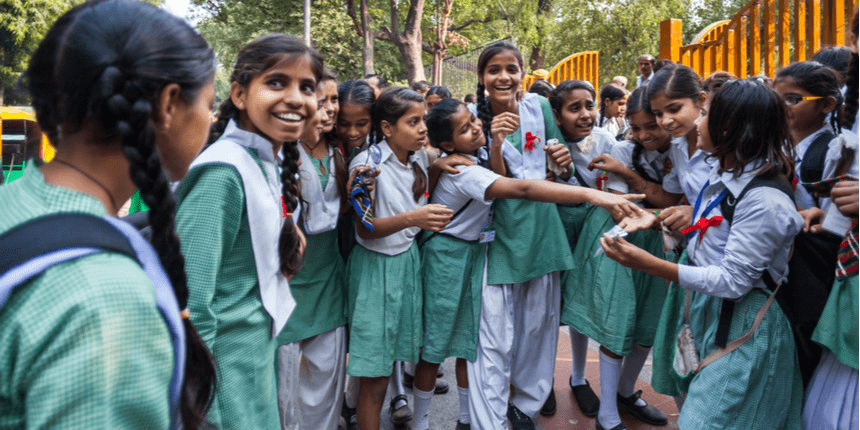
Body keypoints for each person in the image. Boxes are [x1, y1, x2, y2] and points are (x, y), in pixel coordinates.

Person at [6, 0, 216, 428]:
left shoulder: (15, 204)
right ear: (169, 104)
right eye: (210, 103)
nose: (210, 121)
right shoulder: (106, 299)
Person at [413, 98, 646, 430]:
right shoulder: (463, 169)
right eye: (464, 128)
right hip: (447, 259)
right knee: (438, 344)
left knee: (467, 341)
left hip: (470, 256)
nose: (476, 127)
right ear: (448, 143)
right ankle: (423, 422)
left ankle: (468, 419)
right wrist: (593, 194)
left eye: (473, 120)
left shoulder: (469, 156)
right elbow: (522, 188)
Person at [602, 78, 804, 429]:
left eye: (705, 114)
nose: (696, 123)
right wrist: (652, 221)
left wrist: (651, 265)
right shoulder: (726, 175)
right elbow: (711, 231)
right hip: (706, 308)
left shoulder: (763, 200)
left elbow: (733, 281)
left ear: (730, 127)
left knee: (706, 420)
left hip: (743, 321)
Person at [176, 33, 321, 429]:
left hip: (257, 361)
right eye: (277, 82)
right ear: (239, 94)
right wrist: (206, 411)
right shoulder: (222, 173)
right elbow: (192, 305)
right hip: (223, 378)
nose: (295, 98)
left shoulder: (264, 163)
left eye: (307, 87)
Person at [469, 40, 575, 430]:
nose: (503, 77)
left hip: (542, 230)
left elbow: (559, 167)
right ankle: (489, 418)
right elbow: (490, 180)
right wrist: (495, 141)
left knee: (537, 328)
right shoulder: (470, 117)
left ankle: (525, 406)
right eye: (494, 69)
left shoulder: (540, 107)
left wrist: (562, 165)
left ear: (523, 72)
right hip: (496, 234)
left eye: (511, 68)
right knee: (494, 338)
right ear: (481, 77)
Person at [565, 86, 680, 430]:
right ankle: (602, 408)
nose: (644, 135)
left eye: (651, 126)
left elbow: (672, 199)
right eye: (636, 127)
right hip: (620, 238)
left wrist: (634, 178)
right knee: (615, 318)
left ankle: (625, 391)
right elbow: (623, 207)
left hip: (657, 241)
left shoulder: (682, 151)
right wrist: (655, 198)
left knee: (649, 321)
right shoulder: (622, 148)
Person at [346, 87, 453, 430]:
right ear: (387, 128)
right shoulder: (367, 165)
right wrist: (414, 219)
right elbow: (365, 229)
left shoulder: (419, 157)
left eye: (424, 120)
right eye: (413, 121)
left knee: (390, 362)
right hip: (376, 271)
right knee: (374, 379)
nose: (424, 128)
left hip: (406, 265)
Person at [275, 73, 349, 430]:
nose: (331, 109)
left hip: (328, 278)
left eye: (334, 100)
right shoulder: (277, 154)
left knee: (325, 381)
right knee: (283, 391)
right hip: (288, 282)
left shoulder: (342, 149)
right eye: (322, 101)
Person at [774, 62, 846, 218]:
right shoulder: (774, 145)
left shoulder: (834, 152)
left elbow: (833, 222)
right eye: (776, 99)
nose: (780, 107)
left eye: (792, 99)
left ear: (826, 104)